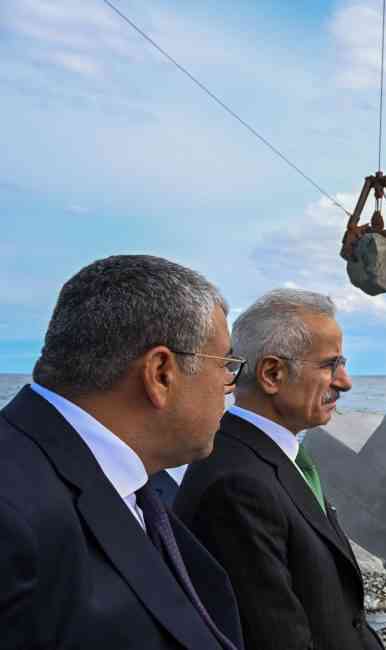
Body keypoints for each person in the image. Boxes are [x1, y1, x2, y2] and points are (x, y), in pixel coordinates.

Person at [0, 255, 245, 649]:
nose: (230, 386)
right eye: (226, 364)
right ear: (161, 373)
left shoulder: (132, 483)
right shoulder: (14, 514)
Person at [175, 289, 384, 650]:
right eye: (330, 365)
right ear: (272, 372)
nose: (345, 382)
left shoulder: (270, 457)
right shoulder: (237, 486)